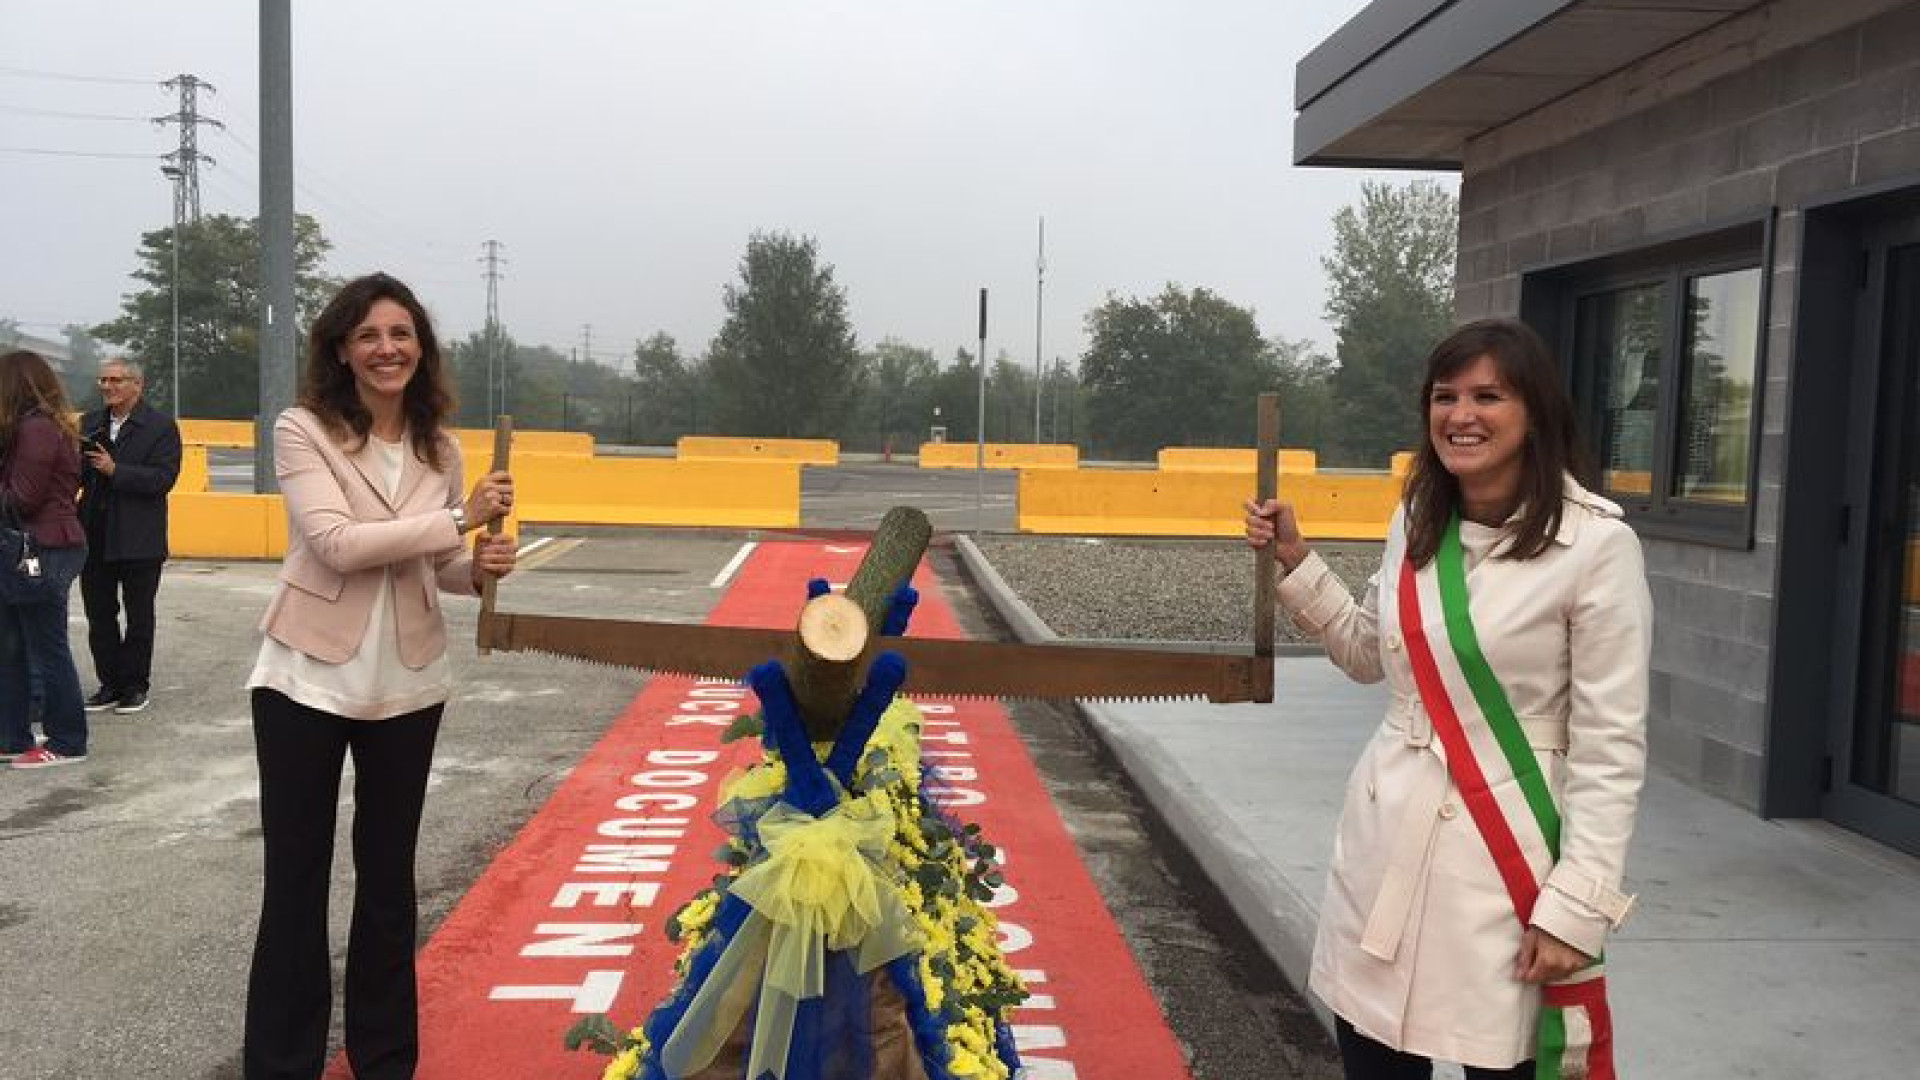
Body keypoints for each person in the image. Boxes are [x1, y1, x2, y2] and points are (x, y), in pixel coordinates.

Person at [1244, 318, 1652, 1080]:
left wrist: (1576, 908)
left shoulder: (1597, 548)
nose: (1461, 415)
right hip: (1385, 853)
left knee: (1503, 1061)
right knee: (1373, 1060)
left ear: (1535, 413)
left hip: (1506, 869)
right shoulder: (1416, 520)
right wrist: (1297, 560)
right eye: (1445, 396)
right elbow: (1368, 652)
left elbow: (1611, 750)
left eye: (1487, 396)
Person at [241, 273, 517, 1080]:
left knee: (390, 883)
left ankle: (386, 1058)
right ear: (341, 350)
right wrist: (460, 517)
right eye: (367, 335)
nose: (386, 349)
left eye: (400, 334)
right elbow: (336, 544)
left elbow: (435, 563)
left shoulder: (440, 448)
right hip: (304, 682)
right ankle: (282, 1063)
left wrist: (479, 567)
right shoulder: (303, 430)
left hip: (408, 683)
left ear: (421, 348)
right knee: (296, 882)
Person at [0, 349, 90, 768]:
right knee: (12, 645)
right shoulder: (37, 426)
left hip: (42, 548)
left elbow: (23, 498)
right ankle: (12, 737)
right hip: (33, 546)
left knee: (45, 646)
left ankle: (68, 740)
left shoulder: (36, 429)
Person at [78, 357, 183, 715]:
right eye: (103, 380)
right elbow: (77, 474)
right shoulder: (90, 422)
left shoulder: (160, 427)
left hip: (140, 537)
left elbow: (163, 479)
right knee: (99, 615)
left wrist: (115, 470)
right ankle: (109, 684)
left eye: (116, 380)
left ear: (137, 385)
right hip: (95, 534)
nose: (107, 386)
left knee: (139, 616)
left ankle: (135, 686)